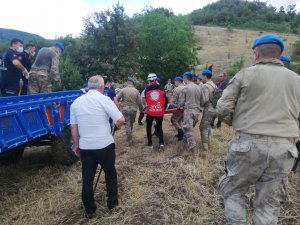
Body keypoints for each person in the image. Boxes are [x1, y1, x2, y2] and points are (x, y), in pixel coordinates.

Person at [217, 34, 300, 225]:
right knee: (268, 203)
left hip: (248, 144)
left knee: (233, 191)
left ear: (256, 53)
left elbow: (222, 108)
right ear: (279, 55)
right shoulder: (296, 80)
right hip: (284, 148)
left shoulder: (245, 74)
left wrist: (236, 121)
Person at [70, 75, 125, 218]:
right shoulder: (104, 99)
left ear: (88, 86)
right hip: (104, 145)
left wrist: (77, 145)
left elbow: (74, 129)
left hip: (86, 147)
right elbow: (120, 120)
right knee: (110, 173)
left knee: (87, 177)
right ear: (102, 87)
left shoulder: (76, 103)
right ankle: (112, 204)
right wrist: (115, 127)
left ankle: (89, 209)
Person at [178, 71, 201, 153]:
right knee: (188, 128)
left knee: (187, 129)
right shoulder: (198, 87)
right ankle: (184, 143)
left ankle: (192, 148)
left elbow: (181, 102)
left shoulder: (185, 88)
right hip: (197, 111)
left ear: (185, 78)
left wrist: (179, 106)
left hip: (189, 110)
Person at [116, 77, 143, 146]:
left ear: (127, 82)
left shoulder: (123, 90)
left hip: (125, 109)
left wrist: (117, 106)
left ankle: (129, 138)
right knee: (131, 123)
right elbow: (140, 102)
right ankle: (129, 137)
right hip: (133, 109)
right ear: (132, 83)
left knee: (127, 124)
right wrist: (141, 109)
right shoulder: (136, 91)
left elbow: (117, 98)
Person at [144, 73, 168, 150]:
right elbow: (165, 101)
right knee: (159, 127)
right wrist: (162, 109)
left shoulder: (147, 89)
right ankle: (161, 143)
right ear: (156, 80)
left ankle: (150, 144)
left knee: (148, 127)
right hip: (159, 111)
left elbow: (146, 101)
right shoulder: (162, 89)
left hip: (150, 111)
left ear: (149, 80)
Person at [199, 69, 216, 151]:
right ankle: (209, 143)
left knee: (203, 127)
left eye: (202, 75)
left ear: (205, 76)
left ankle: (205, 147)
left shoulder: (205, 86)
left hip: (208, 108)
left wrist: (200, 105)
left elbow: (205, 99)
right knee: (208, 126)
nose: (201, 77)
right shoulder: (214, 85)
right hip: (214, 108)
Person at [170, 76, 185, 140]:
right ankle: (182, 133)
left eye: (175, 81)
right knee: (179, 120)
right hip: (186, 107)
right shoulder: (186, 87)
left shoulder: (177, 89)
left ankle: (180, 132)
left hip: (179, 107)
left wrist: (170, 105)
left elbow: (173, 100)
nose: (174, 82)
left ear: (178, 81)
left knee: (173, 119)